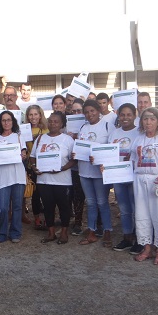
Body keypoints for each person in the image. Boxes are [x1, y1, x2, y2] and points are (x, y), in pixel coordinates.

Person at [131, 107, 158, 265]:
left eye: (152, 119)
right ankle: (147, 248)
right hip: (140, 179)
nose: (148, 122)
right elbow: (132, 160)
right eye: (145, 119)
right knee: (142, 214)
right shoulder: (138, 138)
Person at [31, 111, 76, 244]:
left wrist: (63, 168)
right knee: (48, 207)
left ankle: (63, 232)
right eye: (50, 121)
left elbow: (75, 159)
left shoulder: (68, 139)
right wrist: (33, 167)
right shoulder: (40, 138)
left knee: (64, 207)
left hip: (62, 180)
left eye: (56, 121)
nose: (52, 124)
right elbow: (33, 155)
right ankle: (51, 233)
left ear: (62, 124)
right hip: (44, 180)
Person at [76, 100, 113, 247]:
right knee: (90, 203)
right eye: (87, 112)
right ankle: (91, 232)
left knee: (102, 202)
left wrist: (100, 158)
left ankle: (107, 230)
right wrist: (75, 153)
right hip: (84, 171)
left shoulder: (107, 126)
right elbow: (80, 147)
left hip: (100, 172)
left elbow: (111, 149)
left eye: (92, 110)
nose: (90, 114)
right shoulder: (83, 127)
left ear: (98, 110)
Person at [0, 111, 27, 243]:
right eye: (3, 120)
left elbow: (23, 152)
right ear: (0, 122)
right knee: (3, 207)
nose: (6, 122)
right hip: (3, 177)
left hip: (18, 176)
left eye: (9, 120)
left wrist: (23, 155)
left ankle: (15, 233)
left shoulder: (18, 137)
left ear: (13, 121)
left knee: (17, 206)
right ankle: (2, 233)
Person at [109, 103, 142, 254]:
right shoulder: (114, 133)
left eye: (129, 114)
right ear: (118, 116)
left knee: (137, 208)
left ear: (135, 115)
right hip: (118, 175)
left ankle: (140, 239)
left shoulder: (140, 132)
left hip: (134, 176)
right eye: (122, 115)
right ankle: (127, 237)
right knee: (124, 209)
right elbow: (108, 153)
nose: (125, 117)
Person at [24, 105, 48, 229]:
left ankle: (48, 218)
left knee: (47, 193)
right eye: (31, 114)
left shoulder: (46, 129)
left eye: (36, 114)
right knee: (36, 194)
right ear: (27, 116)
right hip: (31, 165)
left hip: (46, 165)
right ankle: (37, 218)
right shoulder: (24, 130)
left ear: (40, 115)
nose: (33, 117)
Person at [67, 97, 86, 235]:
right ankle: (77, 222)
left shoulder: (88, 125)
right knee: (76, 195)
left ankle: (96, 222)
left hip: (87, 165)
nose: (76, 113)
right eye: (73, 111)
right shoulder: (66, 125)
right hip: (73, 166)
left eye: (79, 110)